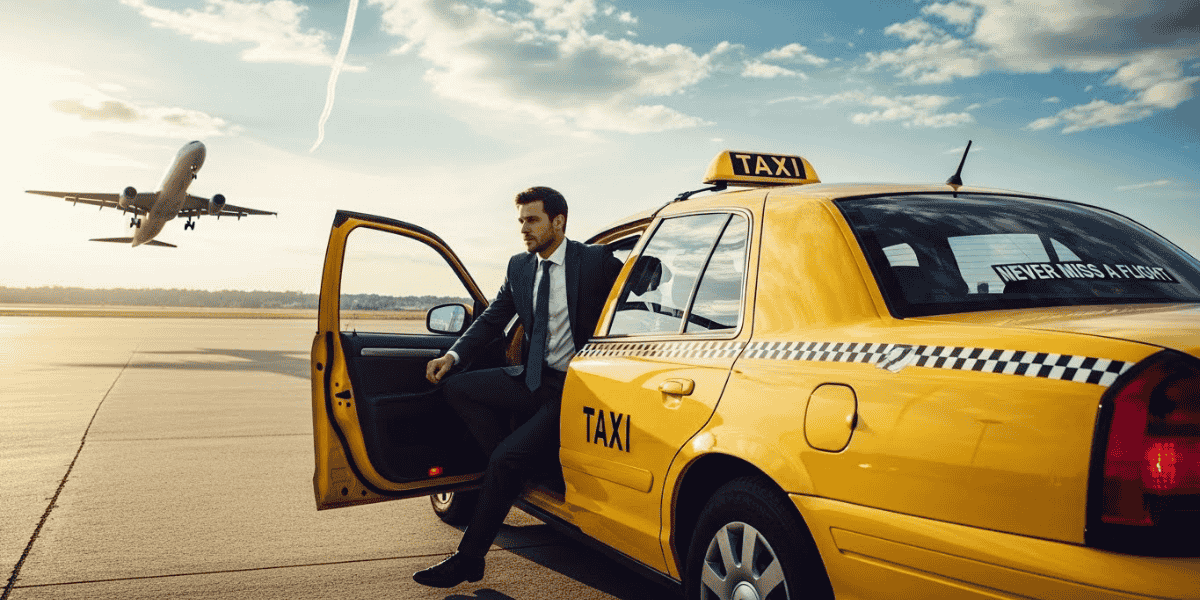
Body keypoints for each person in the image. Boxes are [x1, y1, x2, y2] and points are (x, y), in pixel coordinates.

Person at [413, 186, 623, 588]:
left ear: (558, 222)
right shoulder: (520, 267)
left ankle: (470, 558)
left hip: (573, 390)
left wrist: (652, 270)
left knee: (506, 461)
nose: (524, 229)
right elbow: (493, 318)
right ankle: (511, 469)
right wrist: (452, 356)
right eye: (521, 221)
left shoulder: (594, 261)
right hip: (532, 379)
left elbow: (642, 280)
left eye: (533, 220)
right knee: (456, 387)